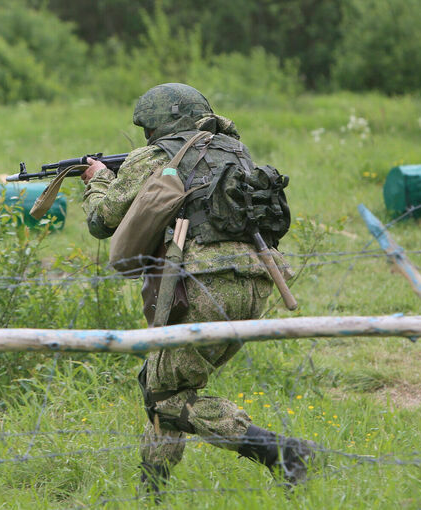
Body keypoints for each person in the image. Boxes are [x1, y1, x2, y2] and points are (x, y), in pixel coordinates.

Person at [81, 83, 316, 497]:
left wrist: (98, 180)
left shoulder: (156, 155)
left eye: (147, 130)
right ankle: (152, 492)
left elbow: (102, 220)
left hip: (203, 287)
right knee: (160, 385)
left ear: (158, 124)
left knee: (168, 399)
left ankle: (282, 452)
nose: (146, 138)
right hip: (256, 283)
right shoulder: (235, 151)